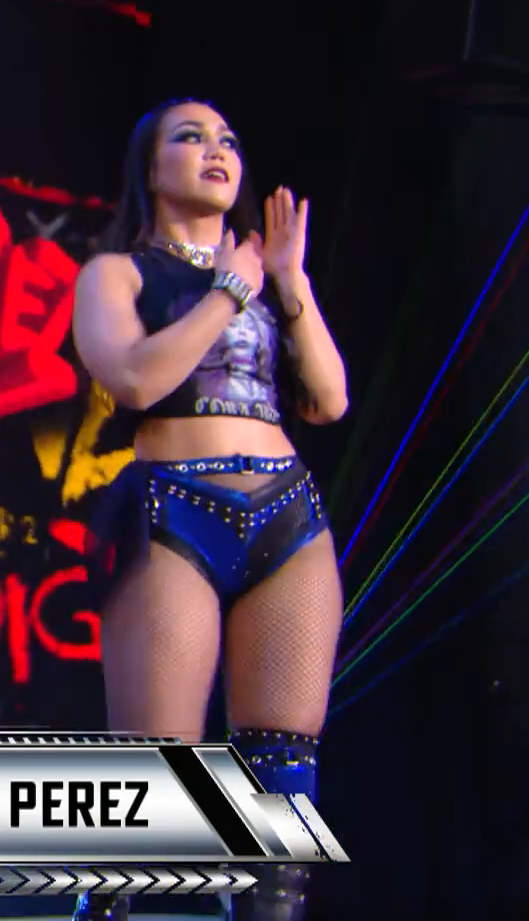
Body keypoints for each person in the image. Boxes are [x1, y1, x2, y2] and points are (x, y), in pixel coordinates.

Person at [68, 99, 350, 921]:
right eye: (189, 138)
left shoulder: (267, 284)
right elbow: (133, 379)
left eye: (227, 139)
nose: (215, 150)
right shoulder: (117, 274)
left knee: (283, 777)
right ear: (149, 167)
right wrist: (226, 292)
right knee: (153, 790)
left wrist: (289, 284)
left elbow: (328, 399)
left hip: (287, 511)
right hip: (175, 510)